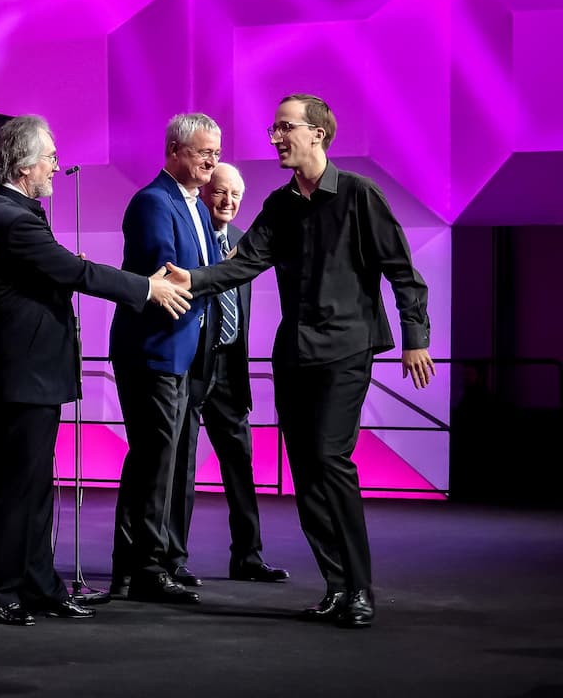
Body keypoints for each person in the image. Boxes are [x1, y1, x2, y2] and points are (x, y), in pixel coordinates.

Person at [166, 93, 434, 629]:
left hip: (346, 350)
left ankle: (359, 589)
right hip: (294, 355)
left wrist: (415, 336)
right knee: (307, 472)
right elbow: (244, 264)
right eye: (274, 129)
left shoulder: (359, 196)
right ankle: (337, 587)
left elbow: (402, 271)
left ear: (318, 133)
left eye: (286, 127)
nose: (277, 137)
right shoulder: (281, 206)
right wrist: (193, 280)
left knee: (332, 460)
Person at [0, 114, 190, 626]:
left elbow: (50, 271)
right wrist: (146, 288)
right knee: (17, 488)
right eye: (50, 159)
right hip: (22, 372)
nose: (56, 168)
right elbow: (74, 271)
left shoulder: (10, 210)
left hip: (31, 370)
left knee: (37, 485)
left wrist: (61, 268)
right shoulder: (10, 215)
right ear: (23, 165)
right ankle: (1, 591)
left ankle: (39, 584)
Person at [107, 113, 223, 604]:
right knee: (155, 460)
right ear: (175, 151)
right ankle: (145, 568)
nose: (212, 162)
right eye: (203, 153)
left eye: (216, 153)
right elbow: (169, 276)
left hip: (182, 353)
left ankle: (143, 564)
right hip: (153, 350)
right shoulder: (154, 202)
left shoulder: (194, 204)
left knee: (161, 461)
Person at [172, 162, 289, 584]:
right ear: (205, 193)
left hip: (230, 368)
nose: (228, 202)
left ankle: (249, 556)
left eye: (237, 196)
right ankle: (173, 559)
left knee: (241, 465)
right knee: (182, 465)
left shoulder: (243, 243)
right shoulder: (191, 234)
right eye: (221, 192)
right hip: (192, 366)